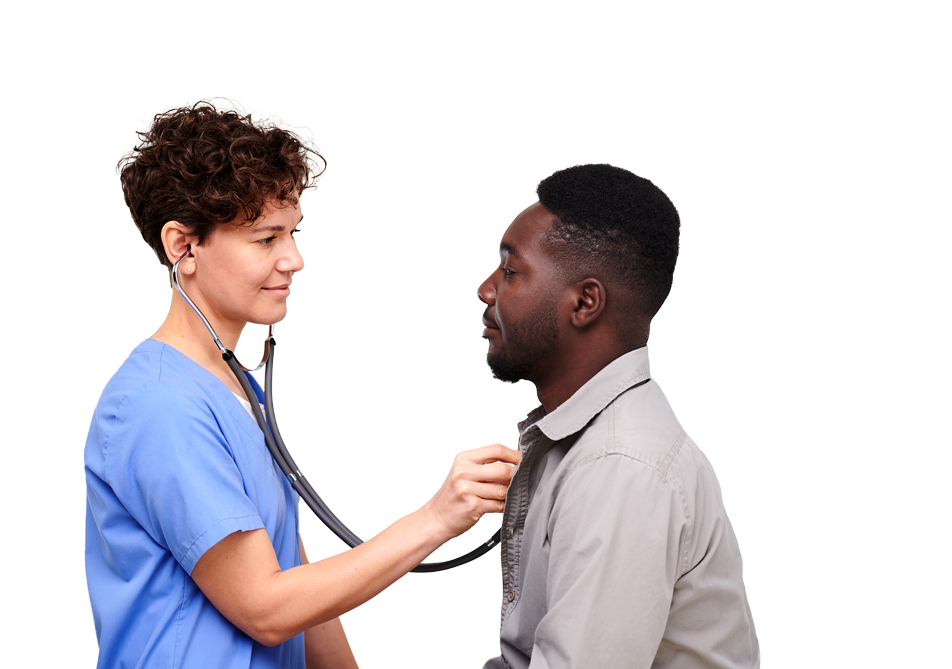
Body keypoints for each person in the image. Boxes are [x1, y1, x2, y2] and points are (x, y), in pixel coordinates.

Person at [83, 100, 521, 669]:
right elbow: (266, 607)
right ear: (182, 246)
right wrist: (437, 517)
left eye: (293, 233)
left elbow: (296, 578)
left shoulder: (235, 388)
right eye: (266, 240)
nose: (294, 260)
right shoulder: (158, 408)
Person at [477, 163, 760, 668]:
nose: (487, 289)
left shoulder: (618, 467)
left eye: (510, 271)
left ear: (585, 302)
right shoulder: (585, 444)